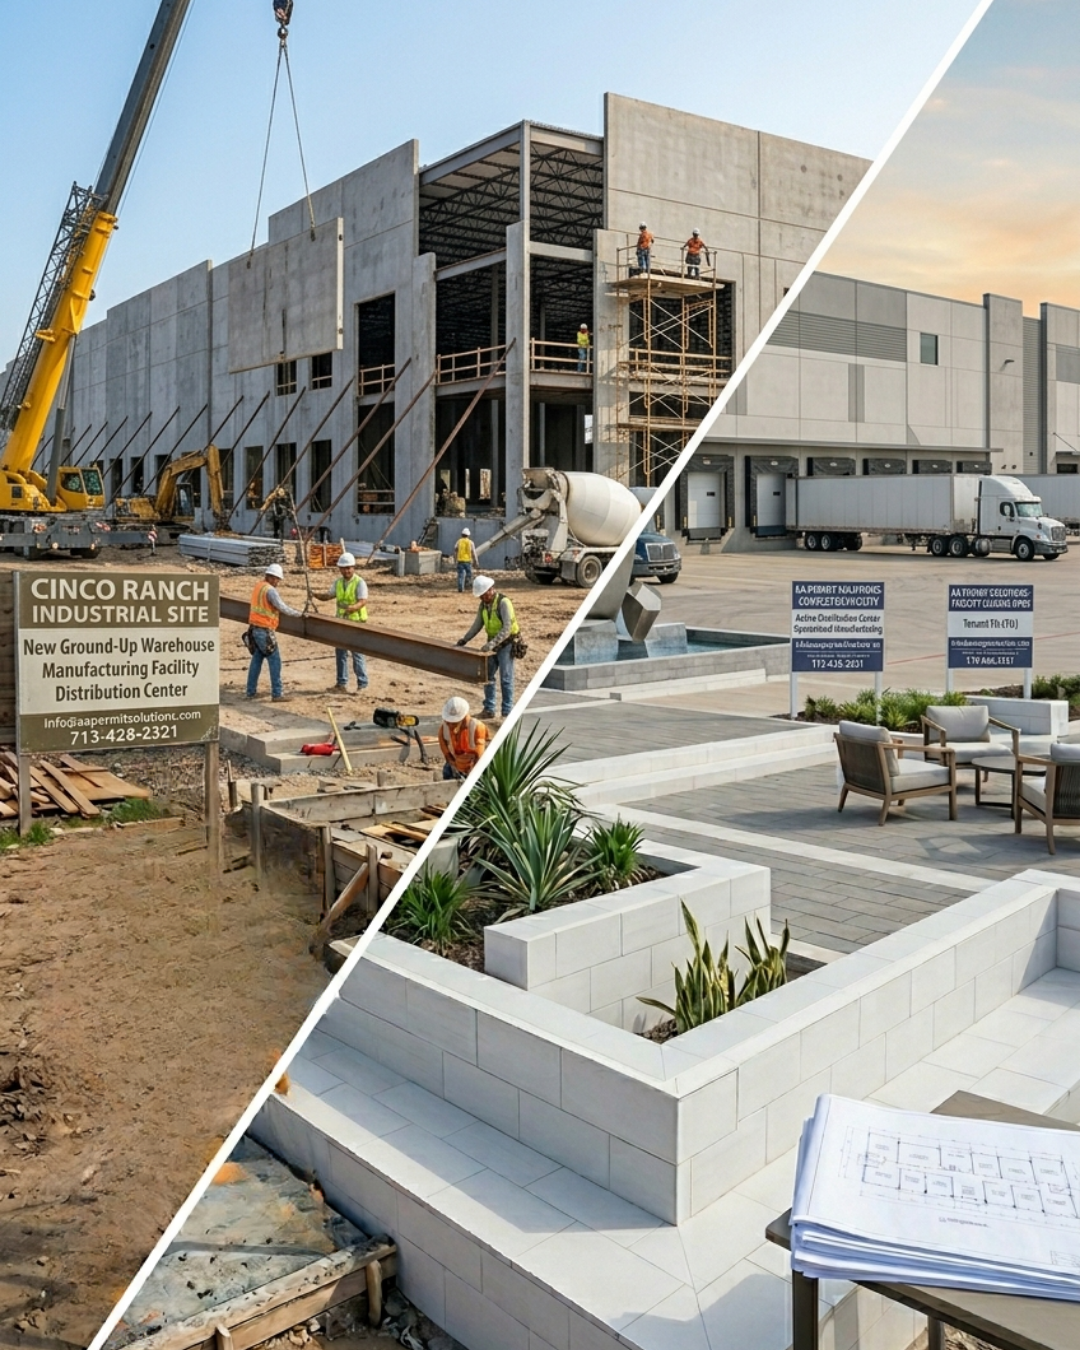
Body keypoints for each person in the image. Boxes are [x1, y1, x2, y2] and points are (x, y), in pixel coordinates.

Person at [457, 575, 518, 718]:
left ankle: (507, 711)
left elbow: (507, 629)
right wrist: (465, 639)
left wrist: (491, 644)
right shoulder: (483, 605)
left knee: (506, 678)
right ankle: (489, 709)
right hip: (493, 642)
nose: (481, 598)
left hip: (507, 642)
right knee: (488, 675)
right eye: (480, 596)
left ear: (490, 590)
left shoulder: (503, 603)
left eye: (483, 595)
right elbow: (477, 624)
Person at [246, 563, 301, 701]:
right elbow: (282, 607)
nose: (278, 582)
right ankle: (277, 693)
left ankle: (250, 692)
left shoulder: (259, 586)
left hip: (254, 629)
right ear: (271, 577)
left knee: (257, 660)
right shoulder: (270, 590)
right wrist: (299, 614)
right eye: (277, 579)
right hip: (264, 630)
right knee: (275, 661)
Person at [326, 553, 369, 692]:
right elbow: (329, 595)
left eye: (349, 568)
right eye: (344, 568)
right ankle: (341, 683)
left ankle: (362, 684)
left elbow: (362, 601)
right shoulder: (338, 583)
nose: (346, 571)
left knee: (357, 654)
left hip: (356, 623)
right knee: (340, 654)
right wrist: (315, 595)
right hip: (341, 623)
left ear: (353, 567)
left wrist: (352, 608)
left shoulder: (359, 582)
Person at [438, 696, 489, 781]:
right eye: (448, 722)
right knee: (447, 772)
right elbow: (447, 754)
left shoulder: (477, 727)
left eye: (454, 723)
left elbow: (479, 756)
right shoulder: (444, 730)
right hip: (456, 760)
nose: (450, 725)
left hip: (473, 762)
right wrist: (454, 764)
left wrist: (471, 774)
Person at [455, 527, 478, 594]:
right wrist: (476, 561)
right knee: (469, 575)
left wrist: (455, 559)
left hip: (460, 561)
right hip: (468, 561)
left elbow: (455, 550)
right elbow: (473, 552)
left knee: (460, 575)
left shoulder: (459, 541)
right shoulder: (470, 542)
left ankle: (460, 588)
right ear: (468, 535)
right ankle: (470, 587)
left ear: (462, 534)